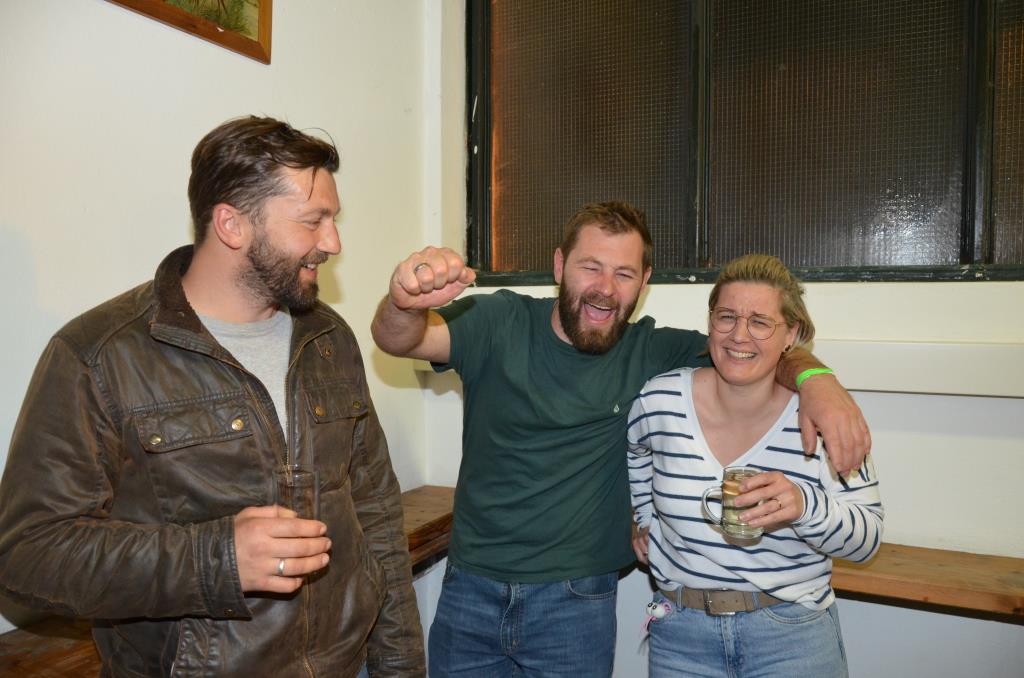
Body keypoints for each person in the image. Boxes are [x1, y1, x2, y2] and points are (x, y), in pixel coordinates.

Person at [0, 116, 425, 677]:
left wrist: (401, 667)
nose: (333, 243)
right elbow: (28, 555)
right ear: (231, 224)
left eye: (333, 220)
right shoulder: (99, 355)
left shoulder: (328, 338)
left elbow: (376, 515)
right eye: (312, 221)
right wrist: (215, 560)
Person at [370, 201, 870, 677]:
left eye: (624, 274)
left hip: (576, 600)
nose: (605, 289)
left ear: (643, 282)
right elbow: (399, 338)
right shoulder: (498, 321)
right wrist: (402, 303)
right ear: (560, 265)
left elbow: (749, 348)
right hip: (470, 587)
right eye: (591, 267)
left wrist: (817, 379)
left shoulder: (652, 350)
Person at [629, 253, 883, 677]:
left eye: (761, 322)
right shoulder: (660, 400)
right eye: (726, 317)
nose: (739, 335)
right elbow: (636, 451)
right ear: (710, 322)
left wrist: (804, 506)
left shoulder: (823, 418)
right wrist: (643, 517)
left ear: (791, 334)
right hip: (680, 637)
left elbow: (867, 540)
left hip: (791, 637)